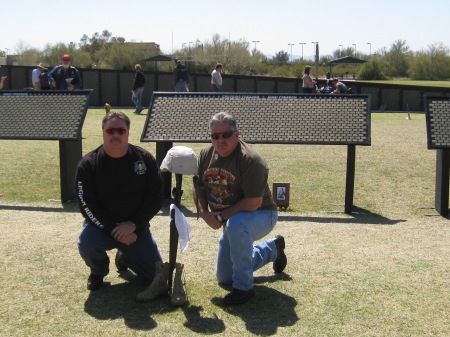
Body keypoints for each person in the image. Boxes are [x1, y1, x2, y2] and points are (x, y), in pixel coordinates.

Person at [193, 111, 287, 305]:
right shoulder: (205, 154)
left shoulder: (251, 160)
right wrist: (204, 213)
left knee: (237, 224)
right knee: (224, 277)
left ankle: (244, 289)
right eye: (215, 136)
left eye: (226, 134)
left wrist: (221, 217)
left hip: (261, 214)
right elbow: (199, 188)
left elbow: (254, 202)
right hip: (231, 219)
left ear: (237, 134)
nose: (221, 139)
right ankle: (272, 250)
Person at [76, 111, 164, 293]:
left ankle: (124, 255)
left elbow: (155, 198)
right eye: (110, 130)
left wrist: (133, 224)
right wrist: (112, 229)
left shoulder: (144, 160)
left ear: (128, 133)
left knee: (154, 277)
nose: (115, 135)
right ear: (103, 132)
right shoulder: (88, 165)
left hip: (135, 229)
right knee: (87, 243)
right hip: (102, 228)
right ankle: (98, 271)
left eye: (121, 131)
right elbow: (87, 205)